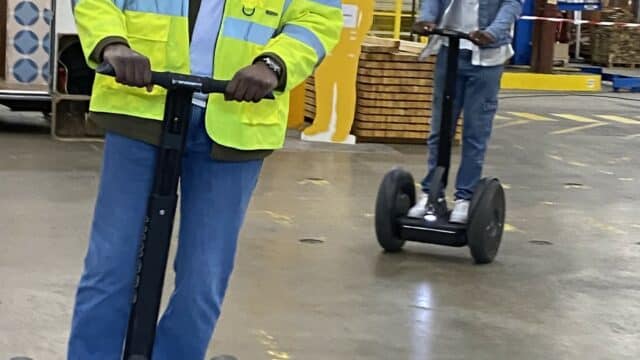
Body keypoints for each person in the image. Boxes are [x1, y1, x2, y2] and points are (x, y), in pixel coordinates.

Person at [67, 1, 342, 359]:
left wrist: (275, 63)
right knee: (111, 263)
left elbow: (318, 15)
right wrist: (111, 43)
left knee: (204, 276)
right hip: (140, 103)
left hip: (237, 117)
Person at [407, 0, 522, 223]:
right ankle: (432, 193)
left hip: (486, 57)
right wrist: (426, 19)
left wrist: (493, 32)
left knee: (475, 133)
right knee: (440, 131)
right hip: (449, 51)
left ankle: (465, 198)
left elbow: (512, 4)